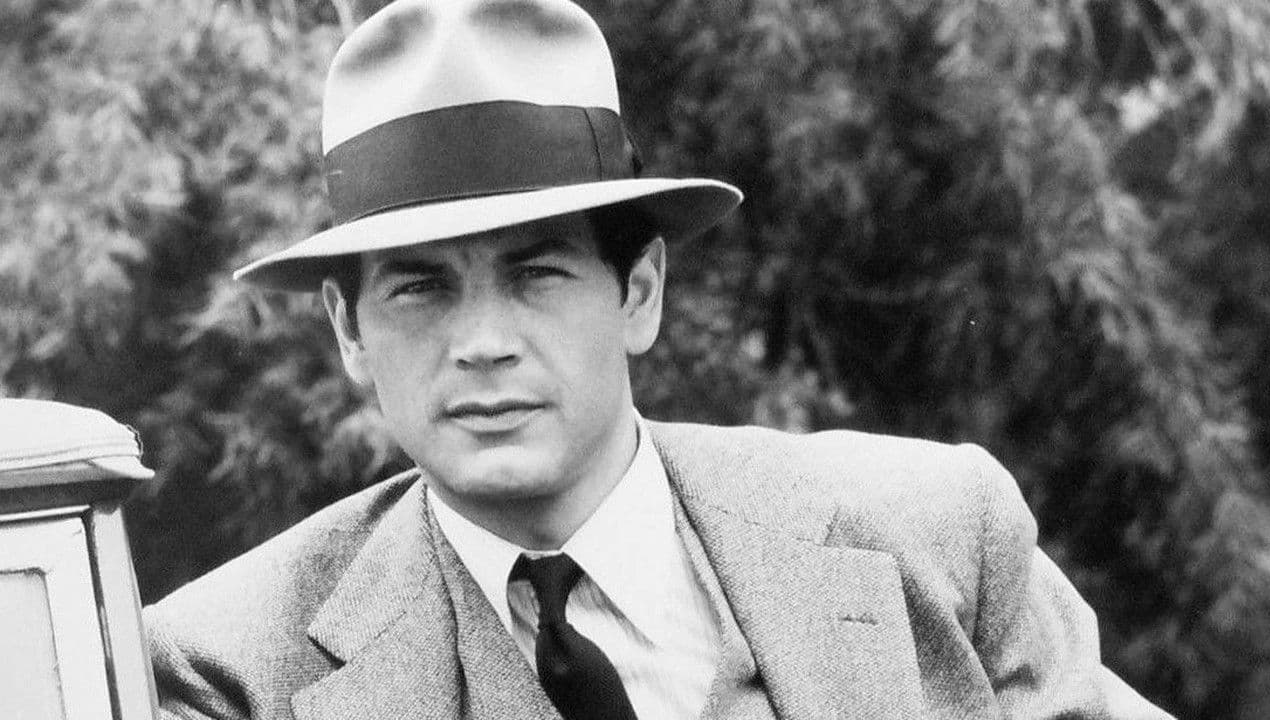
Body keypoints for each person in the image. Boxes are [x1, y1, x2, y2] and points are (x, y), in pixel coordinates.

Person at [143, 0, 1175, 718]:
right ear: (347, 331)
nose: (483, 343)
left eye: (537, 274)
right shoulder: (231, 672)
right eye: (420, 288)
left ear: (638, 292)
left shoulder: (935, 539)